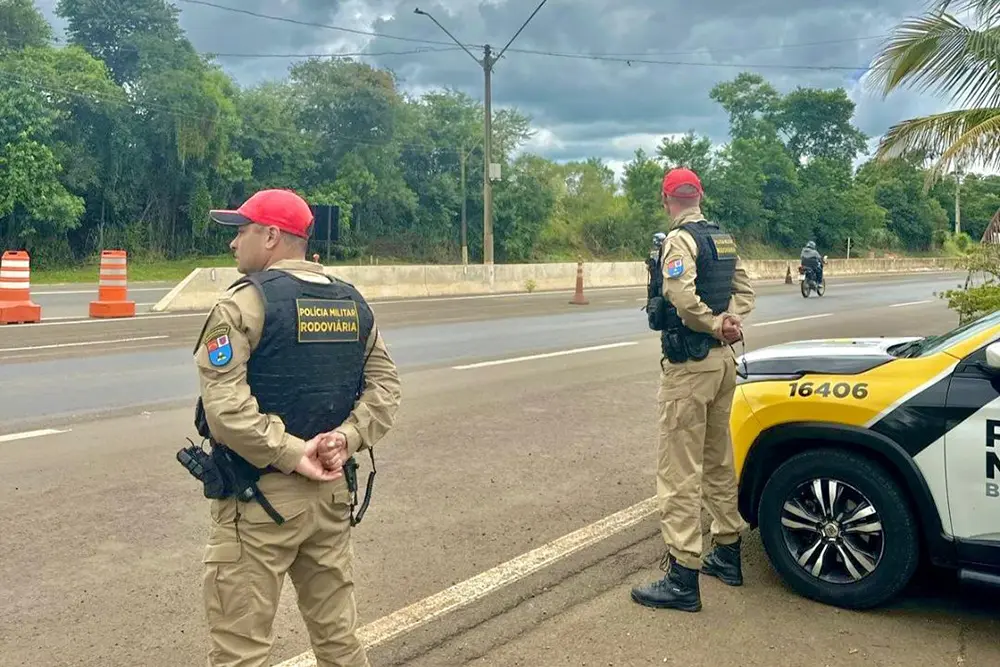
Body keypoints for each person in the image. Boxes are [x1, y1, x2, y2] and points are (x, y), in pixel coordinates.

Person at [193, 188, 402, 666]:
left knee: (241, 650)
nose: (233, 243)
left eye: (241, 231)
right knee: (339, 640)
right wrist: (345, 439)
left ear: (270, 236)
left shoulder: (244, 303)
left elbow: (225, 409)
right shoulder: (351, 302)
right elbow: (385, 388)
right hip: (331, 493)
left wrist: (292, 453)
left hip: (260, 498)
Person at [631, 167, 755, 613]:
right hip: (723, 363)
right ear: (698, 195)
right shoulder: (722, 238)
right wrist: (730, 320)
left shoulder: (679, 241)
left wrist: (712, 322)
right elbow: (745, 289)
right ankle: (726, 552)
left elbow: (679, 295)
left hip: (691, 366)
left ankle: (683, 577)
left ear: (668, 201)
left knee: (678, 471)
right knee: (718, 459)